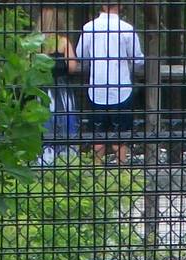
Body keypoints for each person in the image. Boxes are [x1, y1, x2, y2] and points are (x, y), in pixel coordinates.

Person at [76, 1, 144, 165]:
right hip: (121, 88)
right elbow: (137, 59)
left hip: (97, 88)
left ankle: (96, 171)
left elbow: (80, 55)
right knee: (120, 136)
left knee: (97, 135)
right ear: (120, 6)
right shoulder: (127, 29)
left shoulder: (89, 28)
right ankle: (122, 172)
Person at [37, 7, 81, 163]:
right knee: (64, 120)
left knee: (44, 122)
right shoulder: (63, 42)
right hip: (61, 89)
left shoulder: (36, 42)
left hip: (42, 89)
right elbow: (72, 66)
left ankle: (44, 158)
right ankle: (66, 157)